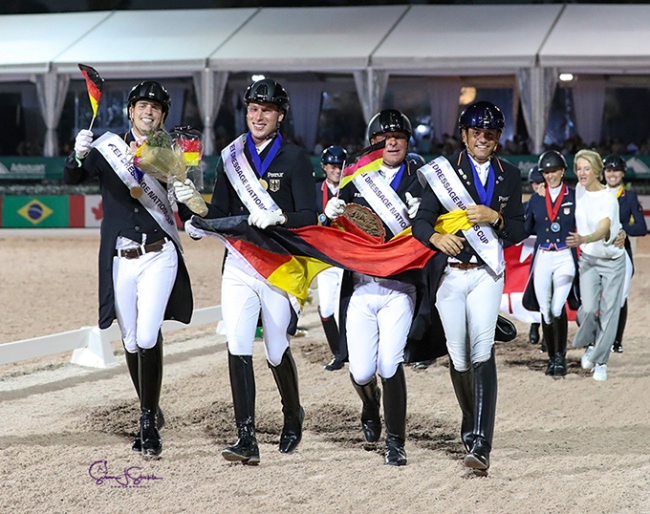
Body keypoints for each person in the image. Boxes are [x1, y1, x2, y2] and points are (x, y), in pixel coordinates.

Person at [175, 78, 316, 465]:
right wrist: (197, 215)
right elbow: (220, 212)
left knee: (275, 349)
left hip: (278, 266)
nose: (258, 116)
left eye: (266, 110)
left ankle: (292, 413)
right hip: (239, 264)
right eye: (253, 109)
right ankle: (246, 438)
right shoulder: (230, 156)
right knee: (237, 345)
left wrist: (280, 216)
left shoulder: (296, 158)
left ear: (280, 116)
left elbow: (310, 215)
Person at [64, 81, 193, 458]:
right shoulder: (107, 149)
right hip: (121, 257)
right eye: (142, 106)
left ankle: (148, 422)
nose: (148, 112)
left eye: (155, 107)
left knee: (149, 335)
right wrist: (76, 154)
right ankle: (151, 410)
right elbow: (71, 179)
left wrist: (189, 199)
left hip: (159, 254)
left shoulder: (174, 153)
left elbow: (184, 206)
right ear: (131, 111)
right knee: (132, 340)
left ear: (163, 116)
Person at [412, 101, 526, 475]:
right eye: (476, 132)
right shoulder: (445, 172)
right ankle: (470, 419)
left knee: (482, 348)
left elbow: (520, 228)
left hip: (485, 273)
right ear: (463, 135)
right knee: (457, 355)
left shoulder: (509, 174)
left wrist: (496, 217)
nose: (483, 138)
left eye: (490, 133)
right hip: (450, 274)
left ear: (498, 139)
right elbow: (422, 221)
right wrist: (435, 238)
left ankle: (482, 441)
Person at [324, 109, 423, 466]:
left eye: (398, 136)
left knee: (389, 364)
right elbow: (336, 235)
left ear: (408, 142)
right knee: (361, 371)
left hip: (400, 287)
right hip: (363, 287)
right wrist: (329, 216)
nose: (391, 142)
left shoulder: (421, 179)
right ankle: (370, 406)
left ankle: (396, 443)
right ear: (373, 143)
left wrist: (424, 212)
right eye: (384, 137)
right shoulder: (355, 182)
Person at [566, 149, 625, 382]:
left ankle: (600, 361)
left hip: (612, 261)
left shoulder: (608, 198)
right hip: (589, 260)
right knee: (588, 309)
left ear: (597, 171)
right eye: (579, 168)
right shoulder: (580, 190)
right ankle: (590, 343)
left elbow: (603, 228)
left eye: (586, 168)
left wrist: (584, 239)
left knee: (610, 312)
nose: (581, 172)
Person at [523, 151, 577, 377]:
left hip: (565, 256)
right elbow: (525, 229)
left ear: (562, 171)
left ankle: (561, 357)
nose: (550, 175)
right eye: (546, 172)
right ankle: (552, 358)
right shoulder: (535, 199)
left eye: (554, 171)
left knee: (557, 307)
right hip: (544, 256)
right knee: (545, 309)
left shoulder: (575, 197)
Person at [603, 154, 647, 353]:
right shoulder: (596, 194)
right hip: (598, 253)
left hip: (622, 253)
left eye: (616, 170)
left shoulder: (629, 197)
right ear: (604, 172)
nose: (612, 174)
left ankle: (617, 340)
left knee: (620, 298)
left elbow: (642, 227)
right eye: (609, 170)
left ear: (622, 173)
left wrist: (622, 231)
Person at [315, 145, 347, 371]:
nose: (337, 170)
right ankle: (337, 353)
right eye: (333, 166)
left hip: (348, 259)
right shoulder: (314, 190)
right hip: (326, 259)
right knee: (325, 309)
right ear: (324, 167)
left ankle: (346, 352)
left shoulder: (352, 188)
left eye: (341, 166)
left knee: (344, 309)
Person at [526, 166, 545, 348]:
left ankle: (549, 335)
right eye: (535, 183)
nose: (538, 186)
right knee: (537, 290)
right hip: (539, 252)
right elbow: (525, 227)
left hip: (560, 252)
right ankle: (534, 324)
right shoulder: (532, 201)